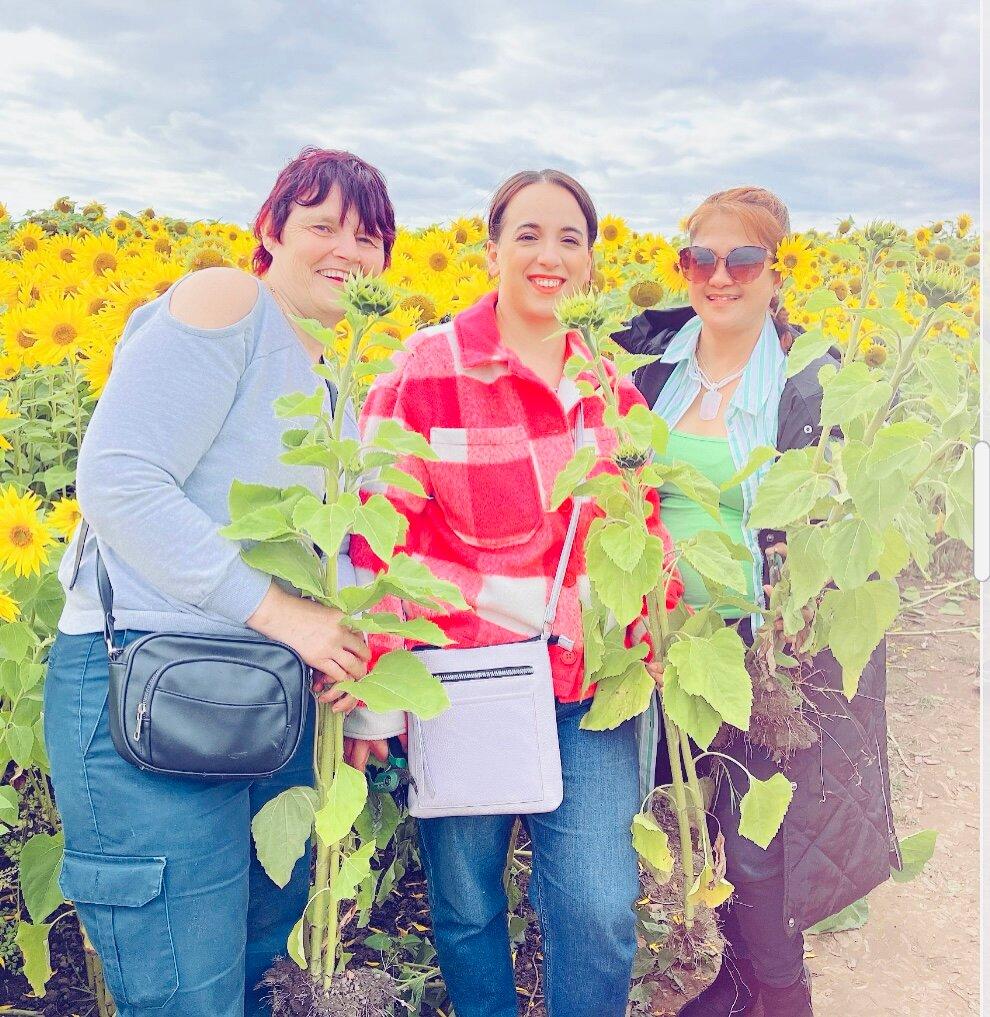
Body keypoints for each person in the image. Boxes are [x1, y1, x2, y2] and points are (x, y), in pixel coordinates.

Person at [44, 147, 395, 1016]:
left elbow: (325, 556)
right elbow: (120, 480)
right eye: (322, 225)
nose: (347, 250)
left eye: (369, 235)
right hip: (148, 687)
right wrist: (289, 618)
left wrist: (346, 688)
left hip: (259, 702)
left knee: (255, 970)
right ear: (268, 233)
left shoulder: (329, 376)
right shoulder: (227, 301)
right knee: (185, 991)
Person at [342, 169, 681, 1017]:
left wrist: (650, 627)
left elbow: (644, 524)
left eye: (570, 238)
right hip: (464, 687)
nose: (548, 255)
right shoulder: (424, 367)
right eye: (527, 235)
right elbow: (377, 539)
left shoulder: (610, 380)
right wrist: (378, 696)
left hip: (589, 690)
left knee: (600, 909)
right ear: (490, 250)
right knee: (465, 906)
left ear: (594, 262)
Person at [612, 187, 900, 1017]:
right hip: (672, 636)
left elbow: (847, 516)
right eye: (701, 258)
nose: (720, 276)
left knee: (761, 837)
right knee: (708, 819)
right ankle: (737, 979)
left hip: (775, 645)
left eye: (743, 259)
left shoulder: (815, 378)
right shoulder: (650, 369)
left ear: (778, 270)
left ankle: (782, 994)